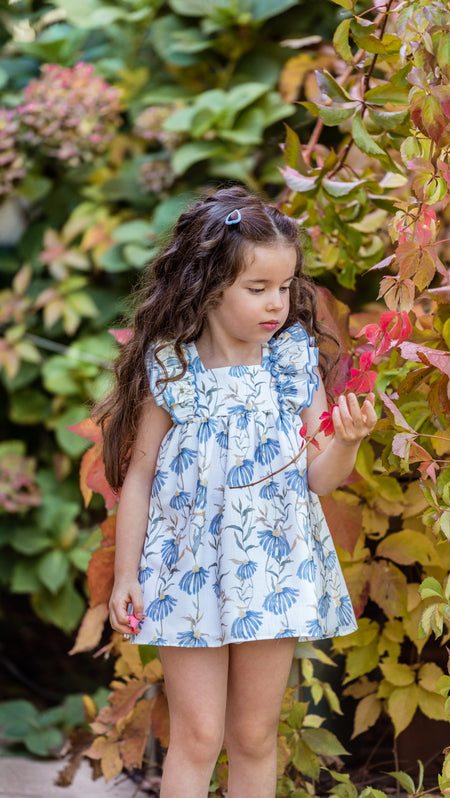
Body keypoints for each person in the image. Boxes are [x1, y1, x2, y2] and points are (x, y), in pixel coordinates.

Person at [95, 186, 377, 798]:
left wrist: (347, 442)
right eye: (258, 289)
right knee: (197, 737)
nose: (277, 304)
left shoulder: (291, 362)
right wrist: (126, 576)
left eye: (285, 287)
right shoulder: (172, 369)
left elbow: (318, 476)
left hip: (269, 571)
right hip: (183, 571)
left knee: (253, 735)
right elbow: (139, 475)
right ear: (210, 285)